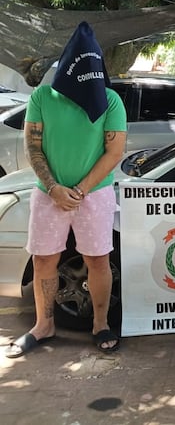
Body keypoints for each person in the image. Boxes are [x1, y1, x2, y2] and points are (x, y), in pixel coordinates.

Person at [5, 22, 127, 358]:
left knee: (98, 259)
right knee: (44, 259)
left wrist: (82, 189)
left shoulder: (111, 100)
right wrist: (55, 188)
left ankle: (100, 324)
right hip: (48, 195)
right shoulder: (43, 97)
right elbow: (33, 146)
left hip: (96, 195)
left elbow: (114, 152)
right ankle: (43, 325)